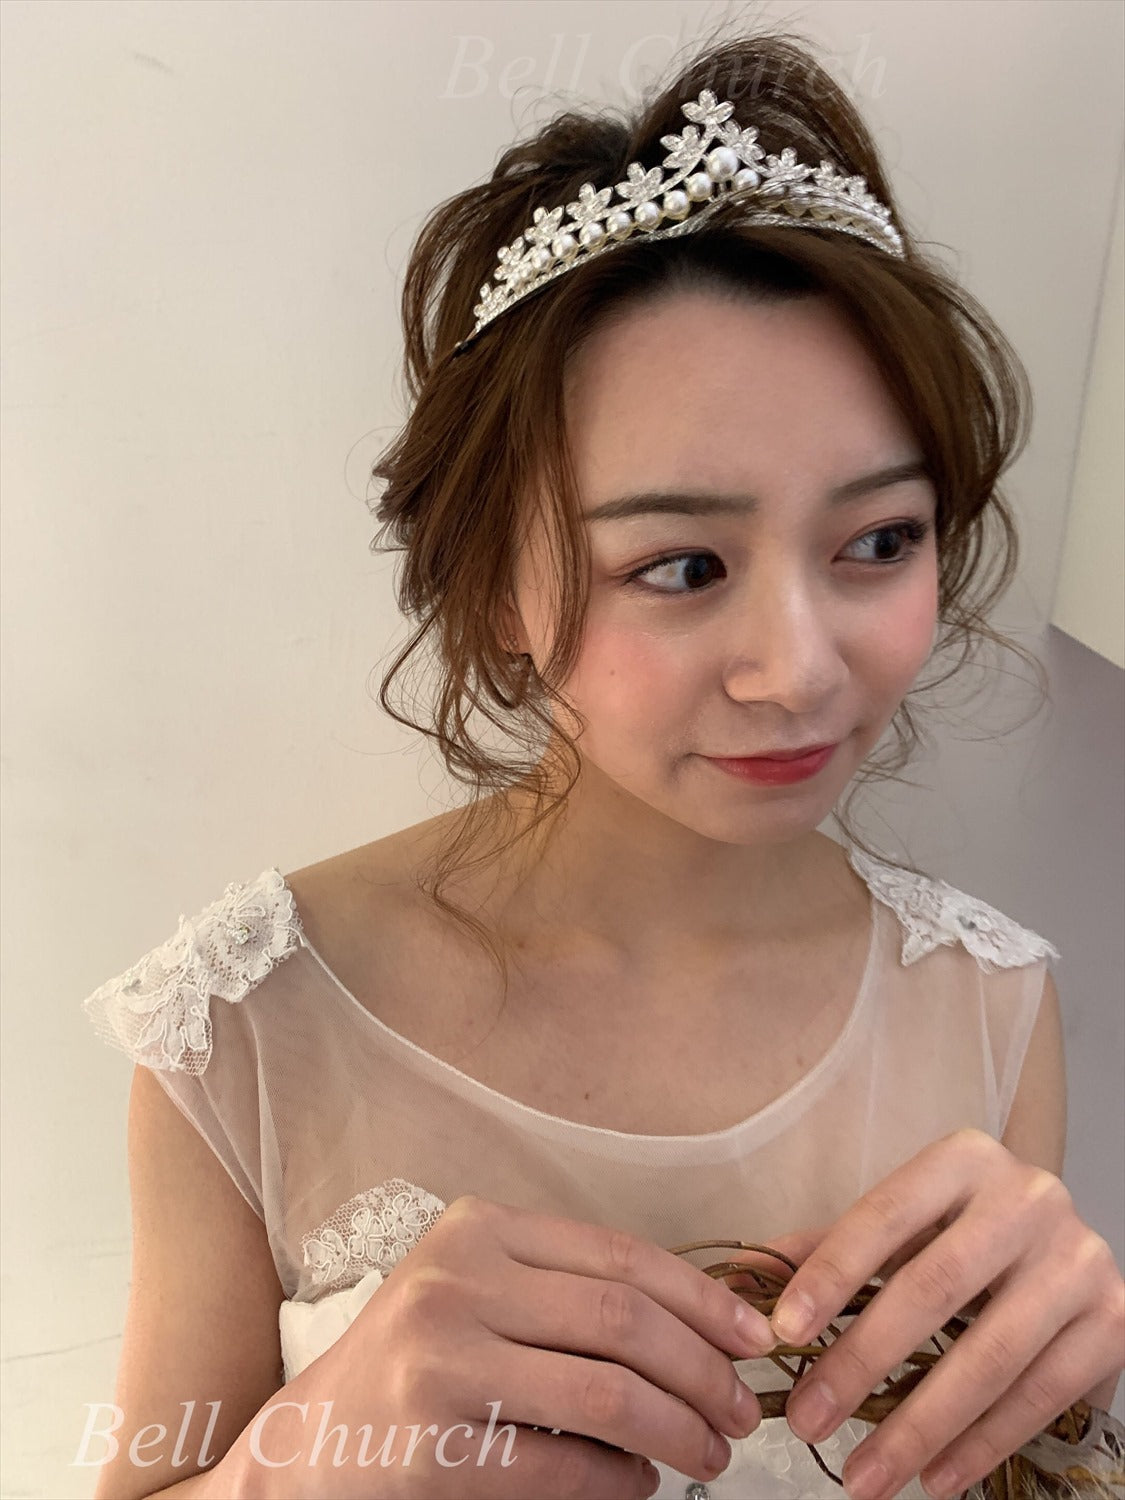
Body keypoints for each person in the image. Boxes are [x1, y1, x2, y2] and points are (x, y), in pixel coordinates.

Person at [81, 25, 1124, 1500]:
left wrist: (1077, 1423)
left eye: (880, 540)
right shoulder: (248, 1029)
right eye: (682, 564)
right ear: (494, 587)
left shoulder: (990, 1007)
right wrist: (300, 1465)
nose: (798, 669)